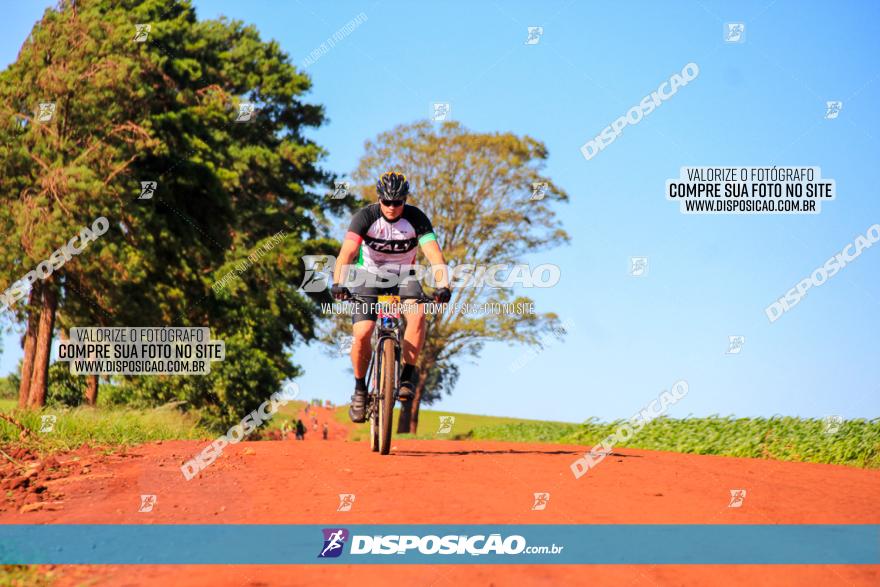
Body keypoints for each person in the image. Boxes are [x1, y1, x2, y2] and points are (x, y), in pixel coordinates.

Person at [331, 171, 451, 423]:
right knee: (363, 332)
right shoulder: (365, 217)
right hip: (368, 276)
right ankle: (360, 389)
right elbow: (347, 254)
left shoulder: (416, 218)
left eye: (398, 202)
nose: (392, 207)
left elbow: (434, 255)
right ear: (379, 199)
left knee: (417, 316)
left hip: (404, 276)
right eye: (387, 202)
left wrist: (443, 285)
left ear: (405, 200)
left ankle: (406, 376)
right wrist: (338, 283)